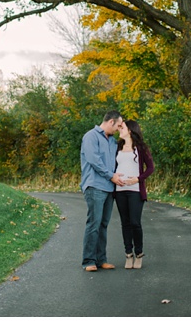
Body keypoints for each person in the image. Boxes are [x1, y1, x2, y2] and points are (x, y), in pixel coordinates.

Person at [80, 110, 126, 272]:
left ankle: (101, 259)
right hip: (95, 186)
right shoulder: (91, 136)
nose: (118, 129)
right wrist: (111, 176)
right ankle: (88, 261)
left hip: (109, 187)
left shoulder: (113, 142)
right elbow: (94, 160)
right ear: (111, 122)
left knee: (103, 224)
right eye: (118, 126)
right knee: (94, 223)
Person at [114, 119, 155, 269]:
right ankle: (128, 254)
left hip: (135, 191)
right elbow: (113, 166)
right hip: (119, 191)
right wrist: (114, 176)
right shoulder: (117, 146)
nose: (120, 130)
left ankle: (139, 253)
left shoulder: (141, 148)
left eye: (122, 127)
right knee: (125, 223)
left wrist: (138, 179)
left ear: (130, 130)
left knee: (135, 223)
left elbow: (150, 168)